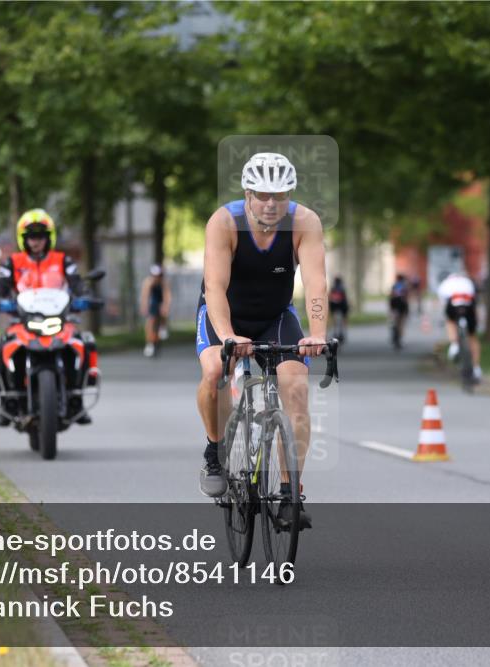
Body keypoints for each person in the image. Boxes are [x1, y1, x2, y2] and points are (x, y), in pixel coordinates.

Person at [195, 152, 327, 530]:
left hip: (275, 316)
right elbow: (215, 287)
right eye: (263, 195)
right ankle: (214, 450)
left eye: (280, 195)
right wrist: (228, 335)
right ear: (248, 193)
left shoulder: (304, 222)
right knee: (215, 370)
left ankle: (290, 492)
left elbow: (316, 283)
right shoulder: (225, 222)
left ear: (289, 195)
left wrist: (317, 333)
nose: (271, 204)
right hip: (226, 316)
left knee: (296, 390)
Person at [0, 208, 90, 425]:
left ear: (48, 238)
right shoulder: (13, 262)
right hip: (23, 322)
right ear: (23, 239)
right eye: (31, 237)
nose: (36, 241)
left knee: (82, 344)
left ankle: (76, 399)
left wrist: (85, 297)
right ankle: (9, 401)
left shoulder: (62, 260)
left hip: (59, 321)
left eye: (40, 236)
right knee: (1, 349)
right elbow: (0, 286)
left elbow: (77, 284)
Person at [437, 270, 482, 381]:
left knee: (450, 322)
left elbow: (443, 303)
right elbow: (474, 300)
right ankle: (476, 368)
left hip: (453, 305)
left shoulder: (445, 284)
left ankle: (454, 345)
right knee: (472, 337)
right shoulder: (467, 281)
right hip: (468, 306)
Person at [140, 264, 172, 357]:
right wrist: (144, 307)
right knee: (150, 322)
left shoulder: (164, 282)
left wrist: (166, 307)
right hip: (153, 300)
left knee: (163, 310)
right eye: (155, 276)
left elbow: (167, 296)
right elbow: (145, 296)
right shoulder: (148, 282)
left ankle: (163, 326)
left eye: (158, 276)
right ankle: (149, 344)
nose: (156, 278)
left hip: (161, 299)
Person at [388, 274, 410, 348]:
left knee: (395, 322)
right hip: (401, 307)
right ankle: (399, 338)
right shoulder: (404, 286)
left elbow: (391, 296)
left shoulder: (394, 286)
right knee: (400, 324)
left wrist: (390, 308)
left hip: (394, 306)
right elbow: (406, 298)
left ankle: (395, 335)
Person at [328, 276, 349, 342]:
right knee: (343, 319)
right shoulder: (342, 288)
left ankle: (335, 332)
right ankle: (342, 332)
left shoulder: (333, 288)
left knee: (334, 319)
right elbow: (345, 299)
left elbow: (330, 297)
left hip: (334, 306)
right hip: (342, 306)